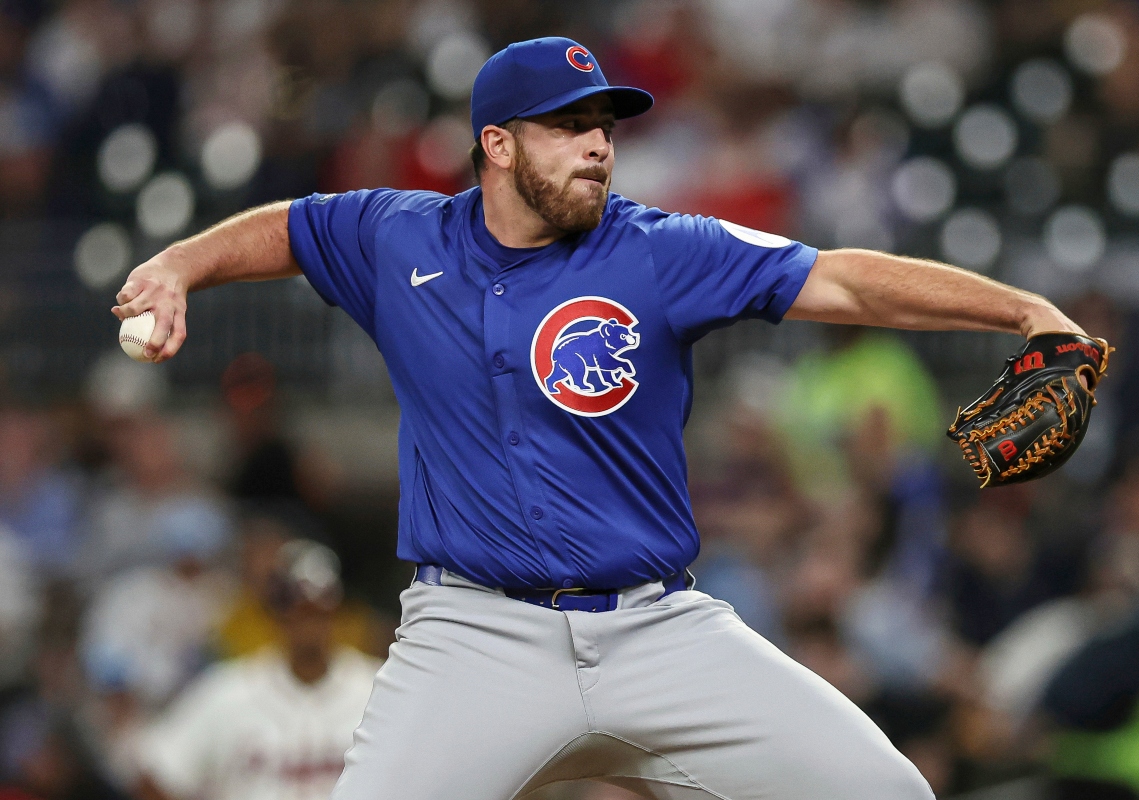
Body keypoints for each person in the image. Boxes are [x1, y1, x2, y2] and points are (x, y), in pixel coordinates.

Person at [112, 36, 1087, 800]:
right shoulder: (395, 235)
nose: (598, 145)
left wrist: (1019, 309)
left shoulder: (659, 249)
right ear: (496, 143)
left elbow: (837, 276)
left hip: (659, 626)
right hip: (473, 634)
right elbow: (285, 224)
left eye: (605, 125)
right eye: (567, 124)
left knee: (884, 788)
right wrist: (178, 264)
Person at [134, 540, 379, 800]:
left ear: (336, 609)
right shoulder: (228, 690)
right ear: (277, 611)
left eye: (318, 608)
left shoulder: (378, 688)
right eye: (297, 607)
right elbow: (156, 774)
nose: (308, 620)